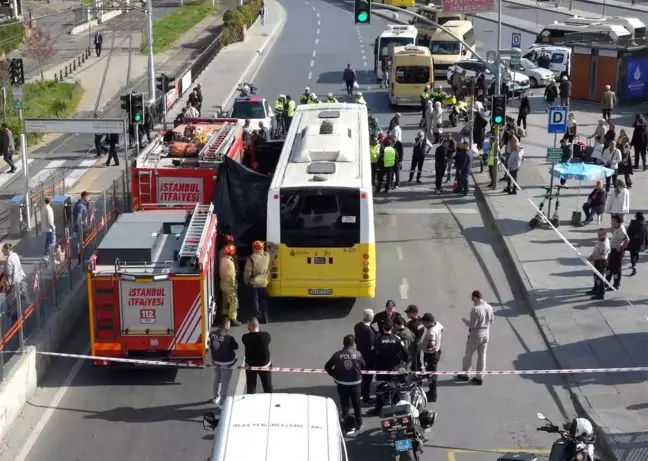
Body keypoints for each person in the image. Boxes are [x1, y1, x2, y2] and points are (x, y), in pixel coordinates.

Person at [324, 334, 365, 434]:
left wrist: (334, 374)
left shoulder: (337, 355)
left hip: (342, 384)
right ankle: (358, 423)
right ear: (353, 343)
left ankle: (347, 424)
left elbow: (327, 366)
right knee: (356, 404)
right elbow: (363, 366)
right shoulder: (358, 354)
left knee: (345, 405)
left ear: (344, 343)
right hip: (356, 384)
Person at [369, 318, 409, 415]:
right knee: (396, 388)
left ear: (382, 327)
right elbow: (407, 354)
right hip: (395, 368)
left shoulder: (378, 340)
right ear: (392, 327)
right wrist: (403, 364)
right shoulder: (397, 339)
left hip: (381, 369)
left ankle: (378, 409)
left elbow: (372, 354)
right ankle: (396, 408)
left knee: (380, 388)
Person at [456, 290, 494, 385]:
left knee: (468, 355)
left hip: (476, 335)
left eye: (473, 298)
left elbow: (473, 325)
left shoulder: (476, 309)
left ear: (476, 297)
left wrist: (465, 321)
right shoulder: (489, 307)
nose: (472, 300)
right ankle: (479, 377)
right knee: (482, 356)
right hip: (486, 334)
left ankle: (465, 374)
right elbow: (492, 320)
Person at [209, 316, 239, 406]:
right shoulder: (229, 338)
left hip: (216, 361)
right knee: (225, 383)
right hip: (227, 363)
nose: (229, 327)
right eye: (229, 325)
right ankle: (222, 402)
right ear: (225, 326)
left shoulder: (212, 334)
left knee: (217, 380)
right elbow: (236, 347)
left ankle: (215, 397)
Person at [242, 318, 273, 393]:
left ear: (249, 326)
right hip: (264, 365)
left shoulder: (245, 337)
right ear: (258, 325)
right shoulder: (266, 336)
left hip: (250, 365)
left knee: (251, 386)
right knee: (267, 386)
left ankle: (251, 400)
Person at [243, 240, 271, 324]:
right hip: (264, 282)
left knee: (255, 301)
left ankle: (257, 317)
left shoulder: (252, 258)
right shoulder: (267, 256)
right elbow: (274, 248)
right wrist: (266, 243)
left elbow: (248, 272)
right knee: (263, 301)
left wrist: (246, 281)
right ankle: (265, 318)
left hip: (255, 283)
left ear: (254, 248)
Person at [354, 309, 376, 404]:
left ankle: (362, 394)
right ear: (371, 318)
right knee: (367, 379)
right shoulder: (369, 332)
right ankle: (366, 397)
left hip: (360, 354)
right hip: (368, 358)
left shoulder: (357, 326)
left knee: (362, 376)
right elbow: (372, 347)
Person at [419, 313, 443, 402]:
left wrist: (430, 348)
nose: (424, 325)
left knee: (432, 375)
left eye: (424, 322)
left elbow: (432, 343)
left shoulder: (431, 331)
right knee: (432, 374)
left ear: (429, 322)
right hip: (436, 353)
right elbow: (442, 329)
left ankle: (433, 395)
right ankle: (431, 392)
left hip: (431, 355)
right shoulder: (438, 325)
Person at [606, 214, 629, 290]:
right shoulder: (617, 228)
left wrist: (622, 248)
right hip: (612, 250)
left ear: (616, 221)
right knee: (609, 267)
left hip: (617, 251)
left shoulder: (621, 229)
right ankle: (606, 282)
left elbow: (627, 239)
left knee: (616, 269)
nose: (611, 222)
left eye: (612, 221)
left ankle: (616, 284)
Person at [587, 228, 610, 300]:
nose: (599, 236)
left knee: (600, 278)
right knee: (596, 277)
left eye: (600, 234)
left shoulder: (604, 243)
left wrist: (592, 258)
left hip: (601, 262)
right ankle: (595, 289)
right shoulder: (601, 240)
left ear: (604, 235)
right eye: (598, 234)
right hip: (597, 261)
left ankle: (601, 294)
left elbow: (601, 255)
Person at [219, 244, 239, 326]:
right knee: (234, 302)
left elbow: (222, 275)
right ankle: (233, 319)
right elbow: (231, 276)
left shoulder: (222, 259)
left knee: (226, 301)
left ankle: (225, 316)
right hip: (229, 286)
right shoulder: (230, 263)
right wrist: (234, 285)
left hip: (223, 285)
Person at [404, 305, 425, 371]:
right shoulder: (420, 320)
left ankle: (415, 375)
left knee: (414, 362)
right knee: (417, 360)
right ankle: (419, 372)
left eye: (408, 312)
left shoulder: (412, 324)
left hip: (414, 344)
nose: (407, 314)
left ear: (414, 313)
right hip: (419, 343)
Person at [627, 211, 647, 276]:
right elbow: (646, 234)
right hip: (640, 242)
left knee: (632, 254)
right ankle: (634, 264)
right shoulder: (645, 224)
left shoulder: (632, 223)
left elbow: (628, 232)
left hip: (632, 241)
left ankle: (634, 266)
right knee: (636, 253)